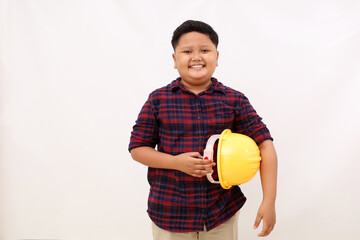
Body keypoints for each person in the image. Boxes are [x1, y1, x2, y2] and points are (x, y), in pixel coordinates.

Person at [129, 20, 277, 239]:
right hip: (169, 213)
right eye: (187, 51)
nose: (196, 57)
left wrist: (269, 201)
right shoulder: (157, 100)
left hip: (220, 214)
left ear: (216, 57)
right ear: (174, 59)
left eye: (205, 50)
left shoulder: (234, 100)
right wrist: (175, 163)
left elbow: (265, 145)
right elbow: (138, 149)